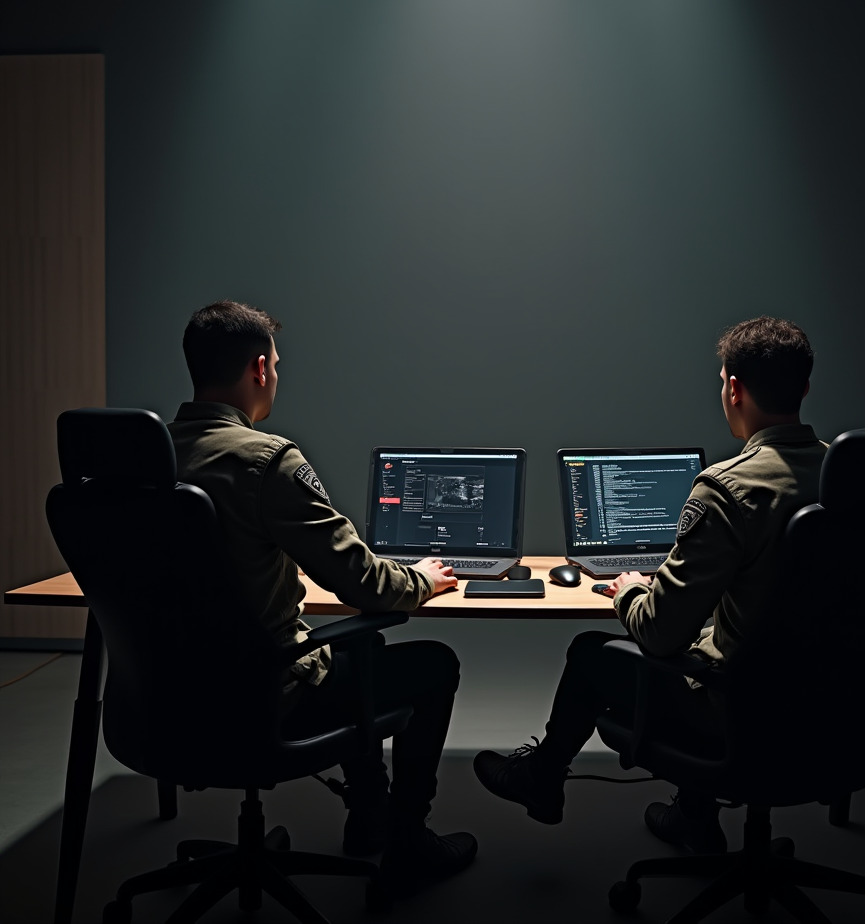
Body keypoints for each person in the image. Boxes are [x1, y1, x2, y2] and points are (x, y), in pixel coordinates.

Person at [473, 316, 827, 852]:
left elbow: (660, 635)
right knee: (715, 648)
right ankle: (692, 814)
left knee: (593, 653)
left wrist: (632, 591)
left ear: (733, 388)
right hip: (838, 715)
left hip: (746, 716)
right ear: (803, 387)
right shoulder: (852, 483)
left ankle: (542, 778)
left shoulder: (728, 488)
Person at [167, 300, 476, 894]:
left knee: (347, 660)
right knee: (433, 664)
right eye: (276, 366)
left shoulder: (146, 464)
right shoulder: (266, 461)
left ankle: (370, 816)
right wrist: (422, 580)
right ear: (260, 370)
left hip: (162, 701)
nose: (276, 377)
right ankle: (407, 840)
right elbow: (365, 585)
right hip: (260, 700)